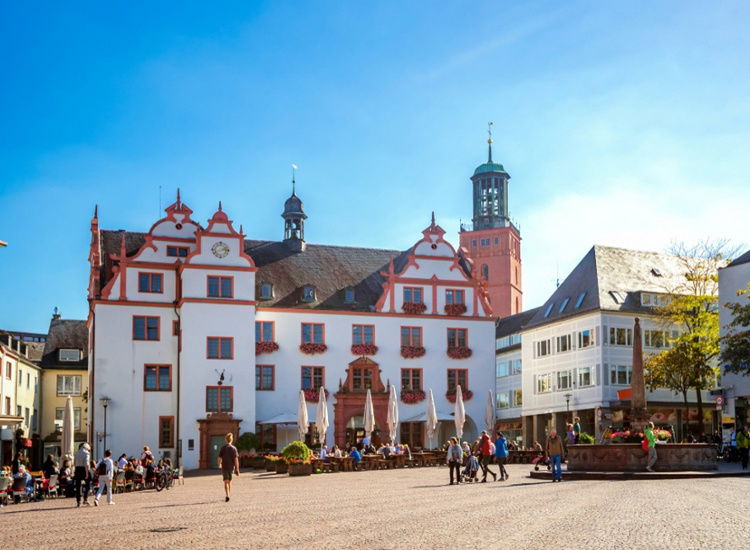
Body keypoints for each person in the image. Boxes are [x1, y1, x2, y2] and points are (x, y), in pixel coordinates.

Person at [217, 432, 239, 502]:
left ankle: (227, 495)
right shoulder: (234, 448)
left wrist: (219, 464)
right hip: (231, 467)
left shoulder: (223, 448)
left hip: (224, 467)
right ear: (231, 440)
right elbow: (236, 460)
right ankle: (228, 494)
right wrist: (237, 469)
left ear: (226, 440)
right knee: (229, 482)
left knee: (225, 482)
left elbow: (219, 458)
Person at [74, 442, 91, 507]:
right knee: (88, 484)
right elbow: (86, 464)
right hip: (84, 469)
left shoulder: (76, 452)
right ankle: (85, 499)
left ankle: (78, 501)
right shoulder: (86, 453)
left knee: (78, 486)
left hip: (77, 469)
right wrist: (86, 474)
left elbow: (74, 463)